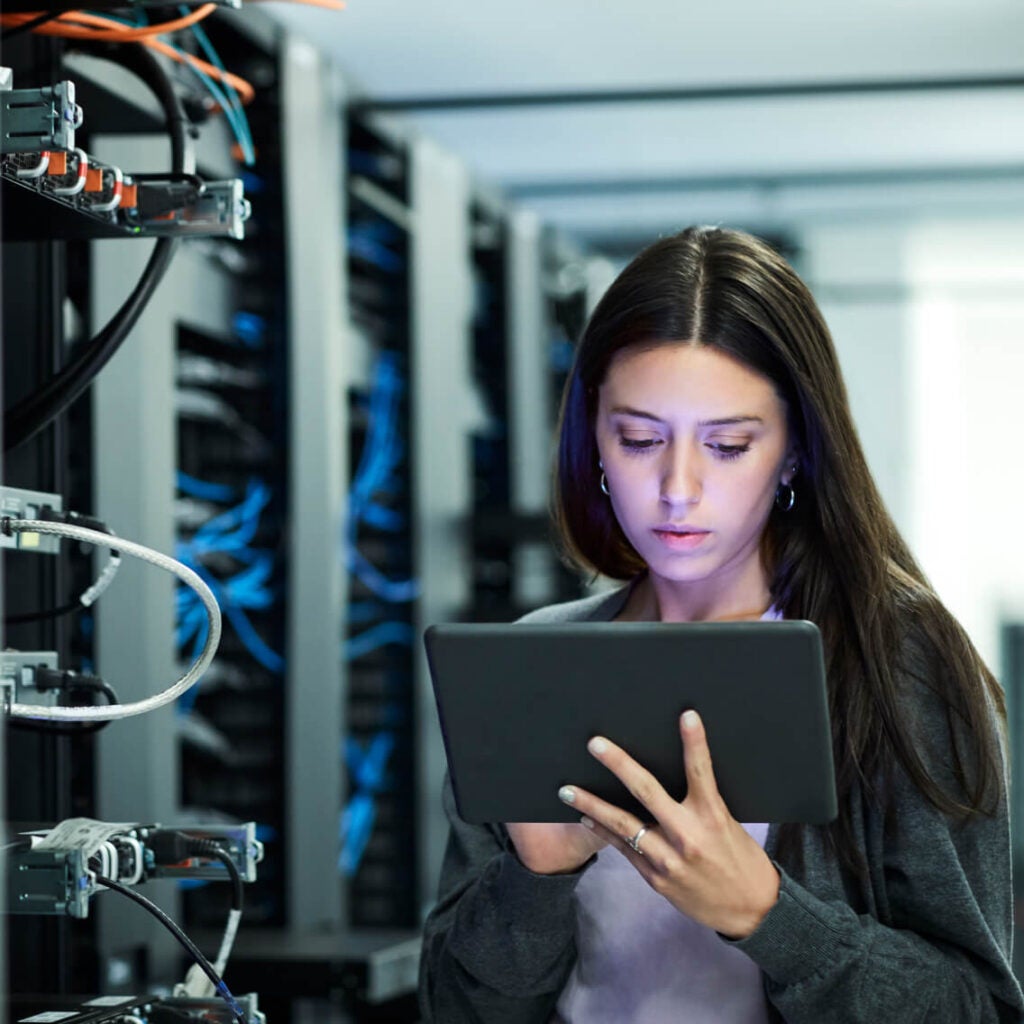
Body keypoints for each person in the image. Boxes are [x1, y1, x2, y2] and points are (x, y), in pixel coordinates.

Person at [418, 226, 1024, 1022]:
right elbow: (454, 1008)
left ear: (796, 451)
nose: (678, 488)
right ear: (593, 435)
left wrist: (768, 915)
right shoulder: (541, 658)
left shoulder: (900, 663)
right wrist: (534, 877)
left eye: (729, 445)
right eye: (638, 439)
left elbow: (975, 1010)